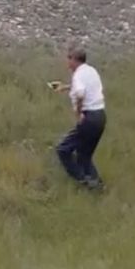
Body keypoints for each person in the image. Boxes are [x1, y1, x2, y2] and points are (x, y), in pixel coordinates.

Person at [51, 46, 106, 191]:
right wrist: (66, 87)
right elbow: (88, 87)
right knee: (84, 155)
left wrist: (79, 113)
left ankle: (82, 181)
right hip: (100, 116)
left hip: (89, 118)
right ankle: (96, 186)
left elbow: (81, 93)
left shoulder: (78, 75)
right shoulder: (91, 71)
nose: (67, 62)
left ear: (75, 60)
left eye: (69, 58)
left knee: (63, 150)